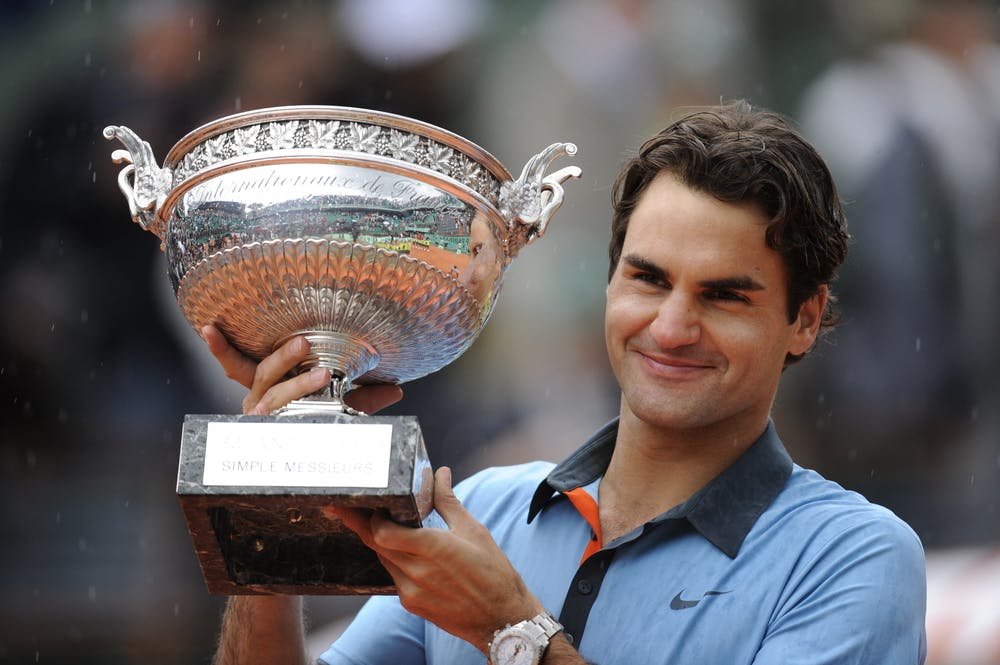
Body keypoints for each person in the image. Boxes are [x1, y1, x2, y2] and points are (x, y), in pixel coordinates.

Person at [202, 101, 927, 664]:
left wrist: (512, 628)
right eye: (648, 278)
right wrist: (275, 504)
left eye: (724, 295)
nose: (671, 327)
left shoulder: (852, 557)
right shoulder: (480, 511)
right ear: (611, 283)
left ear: (805, 318)